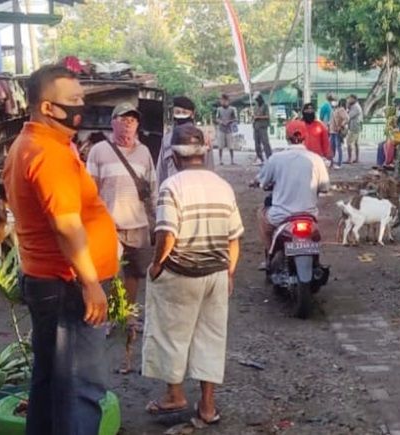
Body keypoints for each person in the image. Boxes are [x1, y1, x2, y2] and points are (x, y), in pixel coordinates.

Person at [3, 65, 118, 435]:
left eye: (82, 98)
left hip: (48, 280)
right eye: (73, 100)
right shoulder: (48, 154)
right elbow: (67, 225)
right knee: (80, 387)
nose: (80, 106)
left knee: (51, 382)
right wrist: (90, 283)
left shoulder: (33, 143)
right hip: (67, 284)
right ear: (48, 108)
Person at [142, 123, 243, 424]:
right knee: (211, 337)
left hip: (180, 273)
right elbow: (234, 238)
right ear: (203, 152)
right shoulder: (222, 185)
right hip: (216, 273)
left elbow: (167, 234)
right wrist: (230, 272)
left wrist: (157, 263)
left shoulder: (171, 186)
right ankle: (208, 406)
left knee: (172, 333)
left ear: (173, 155)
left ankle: (175, 395)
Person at [86, 102, 158, 341]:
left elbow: (152, 188)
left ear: (137, 125)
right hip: (108, 225)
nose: (128, 124)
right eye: (123, 119)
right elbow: (90, 189)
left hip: (137, 224)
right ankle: (107, 316)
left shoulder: (144, 152)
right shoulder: (99, 150)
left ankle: (127, 315)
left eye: (132, 120)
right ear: (112, 122)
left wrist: (156, 217)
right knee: (108, 274)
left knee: (134, 274)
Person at [255, 120, 330, 258]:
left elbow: (262, 181)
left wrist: (258, 183)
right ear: (305, 136)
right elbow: (325, 188)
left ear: (286, 137)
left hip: (281, 216)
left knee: (261, 214)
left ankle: (269, 255)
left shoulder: (276, 159)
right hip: (309, 216)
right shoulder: (316, 159)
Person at [157, 96, 214, 185]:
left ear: (192, 114)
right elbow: (161, 171)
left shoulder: (204, 138)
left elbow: (210, 168)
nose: (181, 116)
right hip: (173, 190)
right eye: (178, 112)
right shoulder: (167, 139)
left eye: (184, 112)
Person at [215, 93, 238, 165]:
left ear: (227, 101)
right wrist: (221, 122)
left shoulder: (232, 109)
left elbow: (235, 119)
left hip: (229, 129)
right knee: (220, 146)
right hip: (221, 129)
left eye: (224, 100)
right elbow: (216, 119)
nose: (222, 102)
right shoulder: (219, 109)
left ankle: (232, 160)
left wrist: (229, 121)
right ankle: (220, 160)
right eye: (221, 100)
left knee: (231, 146)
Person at [252, 92, 272, 165]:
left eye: (257, 99)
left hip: (263, 127)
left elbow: (267, 116)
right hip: (256, 126)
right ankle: (260, 158)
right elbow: (254, 116)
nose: (256, 101)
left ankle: (269, 157)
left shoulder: (265, 106)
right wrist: (253, 117)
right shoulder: (255, 106)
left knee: (265, 143)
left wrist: (258, 117)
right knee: (257, 144)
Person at [329, 98, 348, 168]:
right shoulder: (333, 110)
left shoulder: (341, 110)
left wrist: (341, 125)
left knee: (338, 147)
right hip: (332, 131)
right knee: (331, 147)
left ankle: (339, 163)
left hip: (337, 131)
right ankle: (331, 162)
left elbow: (346, 118)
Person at [346, 94, 363, 164]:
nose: (348, 100)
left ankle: (350, 159)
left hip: (354, 127)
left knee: (349, 142)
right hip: (356, 126)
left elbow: (348, 116)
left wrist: (347, 107)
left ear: (354, 99)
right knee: (356, 143)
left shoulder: (355, 107)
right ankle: (356, 158)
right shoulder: (354, 106)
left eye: (350, 99)